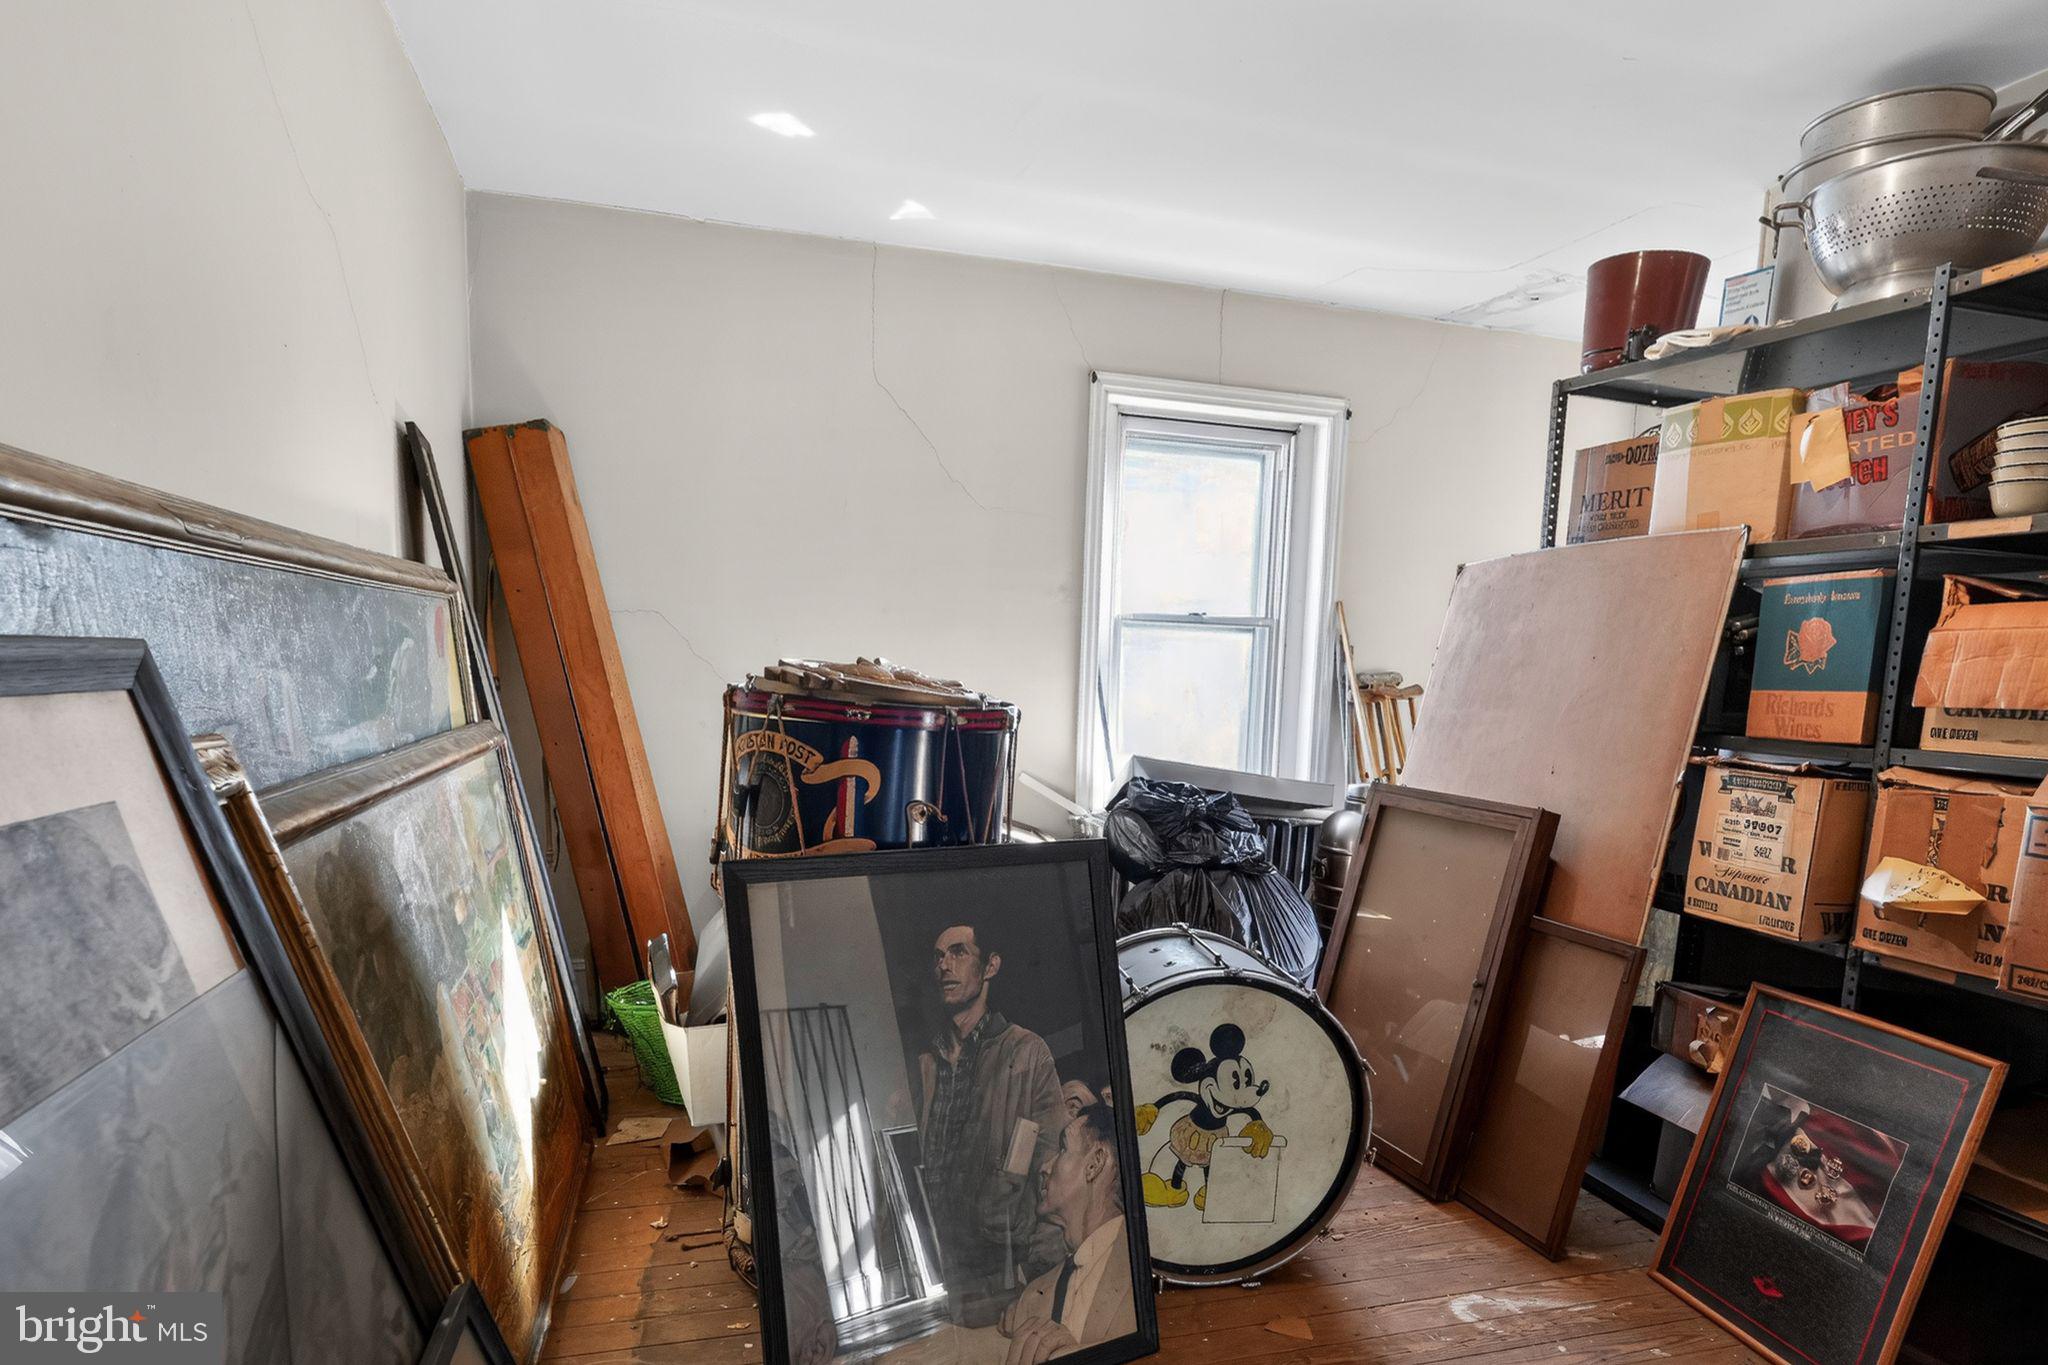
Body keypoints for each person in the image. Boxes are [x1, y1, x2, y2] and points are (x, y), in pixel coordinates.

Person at [917, 918, 1066, 1325]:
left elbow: (1053, 1167)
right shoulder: (928, 1062)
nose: (944, 965)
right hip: (943, 1265)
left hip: (1005, 1264)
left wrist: (1043, 1274)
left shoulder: (1026, 1051)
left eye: (958, 952)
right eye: (938, 957)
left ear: (991, 967)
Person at [999, 1104, 1134, 1363]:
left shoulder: (1145, 1268)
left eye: (1062, 1148)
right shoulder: (1032, 1296)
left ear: (1095, 1163)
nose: (1044, 1168)